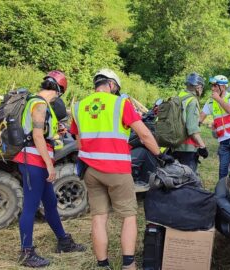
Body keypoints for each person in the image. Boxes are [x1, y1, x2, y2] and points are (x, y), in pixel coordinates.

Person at [70, 68, 174, 270]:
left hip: (90, 170)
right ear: (111, 85)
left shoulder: (78, 106)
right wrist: (161, 155)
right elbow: (143, 134)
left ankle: (102, 265)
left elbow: (80, 143)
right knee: (128, 216)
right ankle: (128, 264)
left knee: (99, 217)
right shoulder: (119, 103)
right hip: (117, 170)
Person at [14, 70, 85, 268]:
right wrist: (49, 165)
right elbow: (37, 137)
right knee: (30, 207)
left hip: (37, 160)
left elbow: (43, 133)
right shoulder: (39, 105)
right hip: (35, 161)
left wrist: (56, 131)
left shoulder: (38, 103)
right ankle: (26, 253)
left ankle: (63, 241)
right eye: (58, 93)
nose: (56, 97)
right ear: (58, 90)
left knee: (50, 202)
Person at [199, 75, 230, 180]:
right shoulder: (210, 101)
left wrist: (218, 99)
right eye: (212, 86)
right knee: (223, 171)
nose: (213, 88)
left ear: (223, 87)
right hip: (224, 141)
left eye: (215, 86)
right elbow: (200, 118)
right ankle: (222, 194)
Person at [172, 72, 208, 172]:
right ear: (198, 87)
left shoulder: (178, 97)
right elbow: (192, 128)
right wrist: (202, 146)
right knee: (189, 180)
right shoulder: (192, 100)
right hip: (187, 147)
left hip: (174, 145)